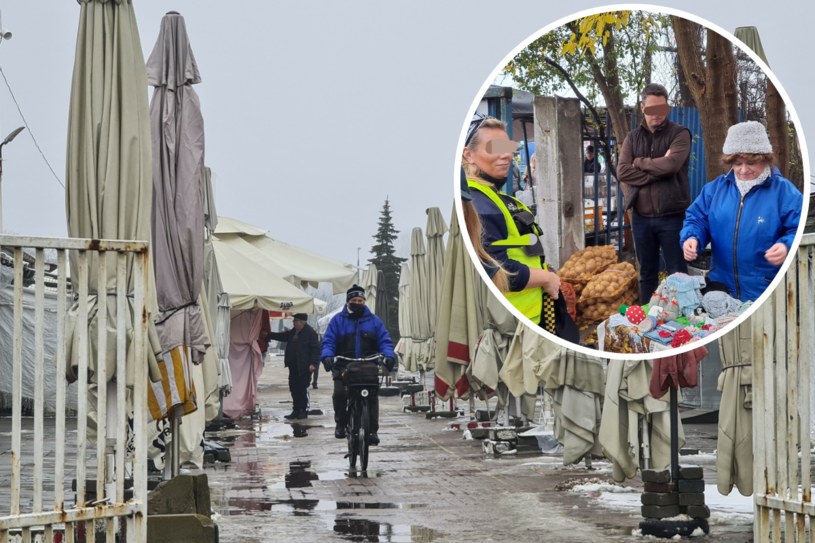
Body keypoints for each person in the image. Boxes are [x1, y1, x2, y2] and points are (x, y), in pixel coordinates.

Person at [462, 115, 577, 342]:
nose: (506, 155)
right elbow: (496, 271)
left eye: (508, 148)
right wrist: (546, 278)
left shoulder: (495, 197)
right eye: (494, 148)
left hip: (528, 323)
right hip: (512, 331)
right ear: (469, 155)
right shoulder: (480, 205)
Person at [680, 120, 802, 302]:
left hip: (766, 289)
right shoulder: (714, 190)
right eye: (737, 163)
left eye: (751, 163)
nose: (743, 170)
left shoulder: (785, 192)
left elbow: (798, 229)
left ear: (765, 159)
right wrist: (691, 237)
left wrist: (787, 245)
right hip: (721, 288)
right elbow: (697, 219)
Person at [617, 83, 691, 303]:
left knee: (678, 274)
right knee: (646, 273)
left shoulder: (679, 134)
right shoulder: (632, 138)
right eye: (652, 109)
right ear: (642, 107)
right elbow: (622, 171)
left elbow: (671, 166)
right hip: (641, 217)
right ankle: (648, 317)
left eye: (662, 109)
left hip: (672, 216)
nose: (657, 115)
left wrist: (639, 162)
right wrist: (658, 169)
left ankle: (680, 321)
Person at [321, 284, 395, 444]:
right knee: (340, 394)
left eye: (360, 300)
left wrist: (389, 356)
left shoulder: (374, 320)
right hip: (343, 366)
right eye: (354, 300)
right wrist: (327, 357)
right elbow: (328, 341)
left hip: (367, 367)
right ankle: (340, 424)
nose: (357, 302)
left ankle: (373, 431)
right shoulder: (337, 321)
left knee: (373, 396)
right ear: (348, 302)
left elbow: (385, 340)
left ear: (364, 301)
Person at [266, 313, 320, 420]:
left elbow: (316, 349)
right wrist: (269, 335)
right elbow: (283, 336)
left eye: (295, 320)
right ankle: (296, 409)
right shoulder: (293, 332)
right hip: (293, 365)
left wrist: (314, 363)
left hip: (304, 366)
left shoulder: (310, 333)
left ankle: (303, 410)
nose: (293, 322)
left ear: (302, 322)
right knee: (294, 387)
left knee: (303, 388)